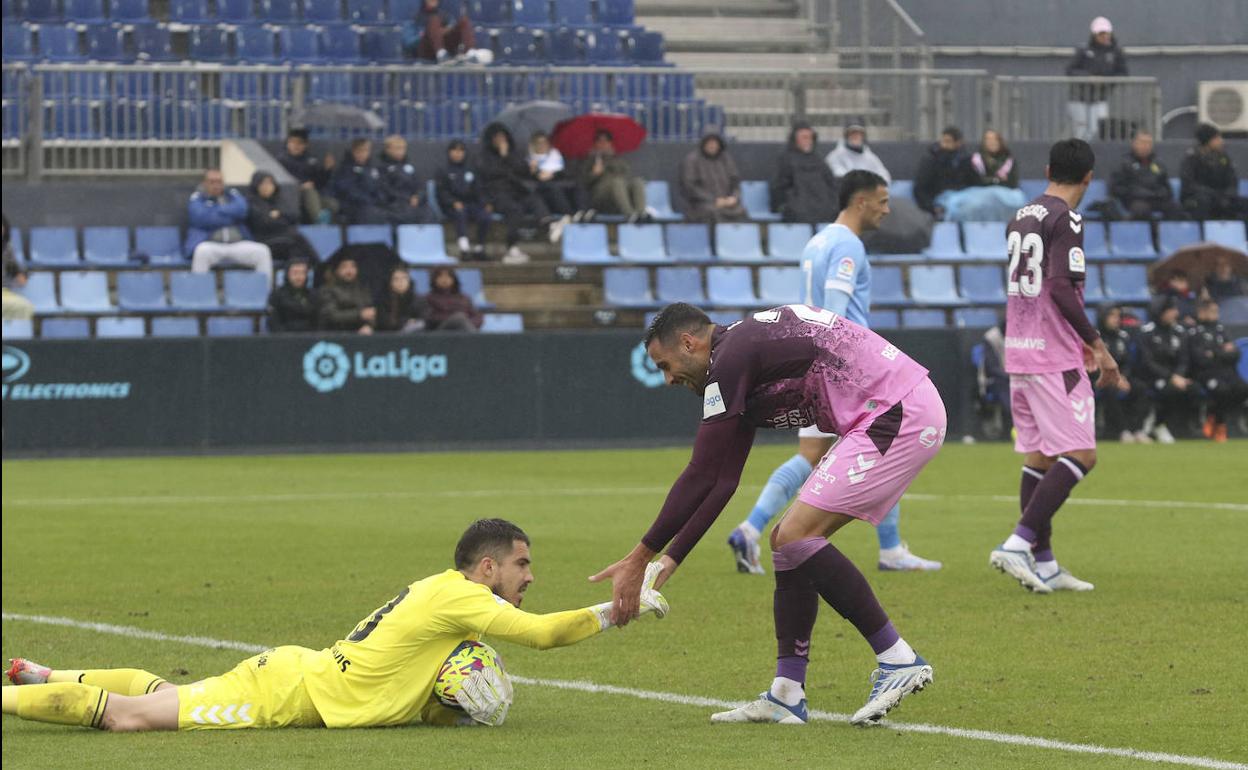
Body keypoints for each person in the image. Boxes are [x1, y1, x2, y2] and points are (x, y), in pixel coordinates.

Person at [591, 302, 946, 727]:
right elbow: (722, 481)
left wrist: (639, 557)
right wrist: (671, 557)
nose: (668, 379)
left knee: (795, 536)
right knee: (786, 543)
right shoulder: (739, 359)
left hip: (896, 411)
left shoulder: (731, 358)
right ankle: (787, 693)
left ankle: (897, 658)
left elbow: (701, 472)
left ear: (689, 342)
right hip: (889, 411)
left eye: (666, 365)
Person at [3, 519, 669, 732]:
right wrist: (618, 607)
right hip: (287, 694)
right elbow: (545, 636)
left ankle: (44, 674)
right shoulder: (464, 599)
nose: (530, 576)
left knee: (153, 696)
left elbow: (410, 681)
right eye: (522, 565)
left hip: (296, 675)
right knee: (128, 718)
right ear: (486, 567)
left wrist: (449, 708)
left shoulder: (448, 602)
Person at [726, 170, 940, 576]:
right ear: (860, 201)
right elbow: (835, 313)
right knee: (885, 444)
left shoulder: (818, 240)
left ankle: (750, 529)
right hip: (844, 370)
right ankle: (891, 550)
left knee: (810, 455)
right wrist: (842, 365)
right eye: (881, 201)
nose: (886, 209)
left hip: (813, 365)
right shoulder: (847, 245)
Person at [988, 138, 1121, 595]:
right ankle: (1018, 542)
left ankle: (1043, 563)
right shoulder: (1069, 219)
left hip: (1020, 350)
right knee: (1082, 453)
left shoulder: (1022, 215)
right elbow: (1062, 289)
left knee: (1041, 455)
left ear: (1047, 169)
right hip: (1054, 355)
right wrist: (1097, 345)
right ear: (1089, 176)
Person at [186, 168, 274, 285]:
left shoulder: (232, 195)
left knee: (262, 252)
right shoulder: (197, 198)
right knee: (201, 252)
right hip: (212, 244)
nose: (216, 185)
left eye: (219, 181)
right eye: (212, 182)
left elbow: (243, 210)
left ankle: (265, 296)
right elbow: (201, 218)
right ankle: (199, 296)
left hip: (237, 244)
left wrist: (214, 211)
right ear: (204, 183)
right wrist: (231, 216)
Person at [480, 122, 551, 264]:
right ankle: (511, 246)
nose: (501, 140)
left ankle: (547, 223)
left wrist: (531, 169)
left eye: (503, 137)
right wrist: (503, 157)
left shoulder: (514, 153)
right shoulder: (485, 157)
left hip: (515, 191)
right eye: (497, 137)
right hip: (498, 194)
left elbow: (521, 170)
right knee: (515, 210)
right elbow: (490, 174)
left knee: (533, 199)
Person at [1138, 297, 1200, 443]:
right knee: (1168, 389)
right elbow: (1147, 362)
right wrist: (1171, 377)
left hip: (1177, 377)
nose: (1176, 313)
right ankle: (1157, 424)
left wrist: (1179, 375)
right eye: (1172, 310)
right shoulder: (1147, 332)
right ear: (1161, 312)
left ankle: (1184, 427)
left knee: (1194, 389)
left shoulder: (1179, 331)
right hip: (1152, 377)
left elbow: (1184, 359)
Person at [1188, 298, 1247, 443]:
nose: (1216, 314)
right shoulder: (1195, 332)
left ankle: (1214, 416)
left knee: (1243, 388)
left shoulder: (1221, 330)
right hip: (1207, 374)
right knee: (1222, 390)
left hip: (1228, 373)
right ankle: (1220, 424)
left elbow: (1236, 354)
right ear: (1202, 312)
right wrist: (1222, 352)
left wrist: (1214, 353)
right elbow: (1200, 358)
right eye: (1213, 311)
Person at [1065, 16, 1127, 142]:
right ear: (1094, 34)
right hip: (1079, 98)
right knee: (1081, 131)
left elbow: (1123, 73)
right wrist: (1088, 78)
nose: (1104, 36)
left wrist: (1107, 81)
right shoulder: (1083, 50)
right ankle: (1077, 157)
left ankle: (1090, 157)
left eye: (1106, 33)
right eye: (1100, 33)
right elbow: (1070, 70)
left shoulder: (1115, 52)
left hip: (1100, 98)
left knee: (1097, 129)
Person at [1096, 305, 1151, 443]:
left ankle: (1137, 430)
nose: (1116, 319)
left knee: (1141, 388)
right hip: (1099, 378)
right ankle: (1122, 430)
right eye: (1112, 316)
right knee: (1110, 391)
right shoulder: (1095, 338)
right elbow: (1094, 363)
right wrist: (1115, 378)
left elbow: (1127, 362)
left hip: (1121, 377)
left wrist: (1123, 376)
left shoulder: (1123, 336)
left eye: (1118, 316)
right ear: (1103, 317)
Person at [948, 129, 1028, 222]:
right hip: (979, 195)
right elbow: (976, 181)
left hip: (1004, 196)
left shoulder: (1009, 160)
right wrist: (997, 180)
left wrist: (989, 180)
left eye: (994, 139)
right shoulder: (975, 160)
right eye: (988, 139)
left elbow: (1011, 183)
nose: (991, 142)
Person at [1110, 130, 1186, 221]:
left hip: (1156, 199)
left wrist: (1160, 193)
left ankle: (1170, 234)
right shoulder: (1124, 164)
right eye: (1142, 142)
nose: (1145, 146)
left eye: (1148, 143)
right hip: (1135, 201)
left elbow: (1167, 189)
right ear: (1134, 144)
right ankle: (1148, 234)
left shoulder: (1158, 164)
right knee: (1141, 210)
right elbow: (1116, 188)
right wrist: (1136, 192)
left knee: (1175, 208)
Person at [245, 171, 318, 264]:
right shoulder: (252, 203)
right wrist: (284, 219)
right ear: (256, 186)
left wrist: (280, 214)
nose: (267, 187)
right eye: (263, 184)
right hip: (265, 241)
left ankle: (309, 269)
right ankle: (317, 267)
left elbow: (295, 216)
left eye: (270, 183)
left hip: (284, 237)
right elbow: (265, 223)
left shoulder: (278, 199)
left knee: (297, 242)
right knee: (296, 241)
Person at [771, 122, 838, 224]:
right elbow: (779, 186)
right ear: (795, 139)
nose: (808, 141)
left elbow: (831, 183)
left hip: (823, 205)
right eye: (804, 137)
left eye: (810, 137)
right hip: (797, 207)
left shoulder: (818, 159)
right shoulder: (786, 159)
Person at [1180, 124, 1248, 221]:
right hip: (1197, 198)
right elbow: (1189, 185)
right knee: (1203, 202)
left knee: (1244, 204)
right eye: (1217, 138)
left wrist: (1228, 195)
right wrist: (1214, 195)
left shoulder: (1223, 157)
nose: (1221, 141)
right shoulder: (1191, 159)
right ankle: (1204, 234)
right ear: (1207, 141)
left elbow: (1232, 181)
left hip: (1221, 196)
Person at [436, 140, 491, 260]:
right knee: (460, 213)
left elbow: (479, 189)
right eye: (455, 150)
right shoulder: (443, 170)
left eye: (461, 150)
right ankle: (464, 248)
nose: (458, 153)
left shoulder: (471, 170)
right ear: (449, 152)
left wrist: (485, 203)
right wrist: (452, 202)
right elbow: (441, 192)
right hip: (451, 206)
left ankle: (479, 248)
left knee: (485, 216)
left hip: (471, 204)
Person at [678, 131, 747, 224]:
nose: (712, 145)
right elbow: (690, 187)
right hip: (699, 204)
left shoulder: (726, 159)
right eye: (709, 142)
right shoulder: (692, 160)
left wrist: (734, 197)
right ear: (703, 143)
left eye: (715, 142)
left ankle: (738, 238)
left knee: (741, 210)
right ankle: (716, 238)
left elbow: (735, 182)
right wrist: (714, 200)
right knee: (712, 212)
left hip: (725, 202)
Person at [580, 129, 648, 222]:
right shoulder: (589, 160)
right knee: (617, 182)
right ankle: (630, 215)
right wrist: (594, 173)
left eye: (606, 141)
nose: (603, 144)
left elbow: (626, 174)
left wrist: (611, 159)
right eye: (600, 141)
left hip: (620, 194)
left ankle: (641, 214)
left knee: (638, 182)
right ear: (595, 144)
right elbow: (583, 183)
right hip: (601, 197)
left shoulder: (618, 160)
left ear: (610, 143)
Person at [276, 128, 336, 224]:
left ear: (305, 145)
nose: (296, 146)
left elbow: (319, 182)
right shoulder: (282, 160)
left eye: (300, 143)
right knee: (309, 191)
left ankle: (329, 228)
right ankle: (319, 221)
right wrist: (300, 186)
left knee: (332, 204)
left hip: (313, 195)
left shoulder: (311, 160)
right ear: (288, 143)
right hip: (293, 195)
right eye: (292, 142)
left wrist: (327, 170)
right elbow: (280, 182)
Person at [528, 131, 587, 227]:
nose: (542, 145)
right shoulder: (530, 160)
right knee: (554, 189)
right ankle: (571, 216)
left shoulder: (557, 155)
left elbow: (567, 173)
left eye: (544, 142)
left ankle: (583, 212)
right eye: (539, 143)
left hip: (563, 185)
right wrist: (534, 173)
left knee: (577, 185)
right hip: (546, 193)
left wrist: (554, 174)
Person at [378, 135, 439, 226]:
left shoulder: (410, 167)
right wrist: (406, 199)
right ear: (388, 150)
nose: (400, 152)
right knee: (402, 215)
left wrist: (417, 197)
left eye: (402, 148)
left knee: (429, 213)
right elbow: (385, 190)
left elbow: (420, 186)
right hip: (395, 205)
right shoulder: (382, 169)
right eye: (397, 148)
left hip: (414, 204)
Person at [913, 127, 972, 219]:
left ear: (958, 143)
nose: (944, 145)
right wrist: (931, 208)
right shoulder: (931, 160)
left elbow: (970, 183)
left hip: (961, 201)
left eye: (948, 141)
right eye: (943, 141)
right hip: (938, 204)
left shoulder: (965, 160)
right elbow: (920, 187)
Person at [329, 139, 389, 226]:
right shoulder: (345, 169)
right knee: (368, 214)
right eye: (360, 151)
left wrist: (379, 199)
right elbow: (348, 190)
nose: (363, 154)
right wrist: (368, 201)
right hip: (353, 207)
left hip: (373, 206)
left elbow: (380, 187)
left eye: (366, 150)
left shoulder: (373, 169)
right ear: (353, 151)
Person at [403, 0, 476, 63]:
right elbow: (408, 43)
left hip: (446, 47)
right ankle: (441, 54)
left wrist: (440, 33)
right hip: (426, 52)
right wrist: (426, 35)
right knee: (434, 20)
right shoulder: (414, 20)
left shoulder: (447, 17)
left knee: (464, 21)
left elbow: (451, 29)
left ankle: (470, 53)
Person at [318, 257, 376, 335]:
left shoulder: (362, 289)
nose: (349, 271)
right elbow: (332, 315)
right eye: (344, 267)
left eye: (353, 266)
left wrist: (369, 326)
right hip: (335, 335)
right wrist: (359, 314)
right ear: (337, 270)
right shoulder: (327, 290)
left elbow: (371, 311)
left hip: (360, 336)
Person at [825, 124, 891, 184]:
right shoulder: (834, 156)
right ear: (846, 136)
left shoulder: (870, 157)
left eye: (859, 134)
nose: (856, 136)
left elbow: (884, 176)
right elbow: (839, 175)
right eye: (852, 133)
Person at [266, 259, 318, 333]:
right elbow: (274, 322)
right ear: (287, 274)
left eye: (302, 273)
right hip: (284, 339)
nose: (298, 277)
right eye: (295, 273)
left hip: (310, 339)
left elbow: (318, 322)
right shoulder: (277, 295)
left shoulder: (314, 295)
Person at [425, 266, 482, 332]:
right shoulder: (428, 298)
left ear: (453, 279)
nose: (444, 279)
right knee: (459, 318)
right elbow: (430, 318)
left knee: (461, 320)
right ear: (434, 279)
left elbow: (477, 316)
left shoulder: (464, 298)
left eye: (448, 276)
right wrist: (453, 317)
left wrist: (468, 322)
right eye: (440, 276)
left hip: (463, 328)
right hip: (441, 332)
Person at [2, 214, 34, 321]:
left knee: (26, 307)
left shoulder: (7, 248)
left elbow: (14, 268)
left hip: (4, 292)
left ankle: (17, 335)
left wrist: (21, 274)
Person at [375, 267, 426, 333]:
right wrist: (405, 321)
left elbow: (424, 320)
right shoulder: (383, 300)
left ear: (409, 281)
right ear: (390, 282)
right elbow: (383, 323)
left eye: (404, 278)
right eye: (396, 279)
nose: (400, 282)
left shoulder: (419, 300)